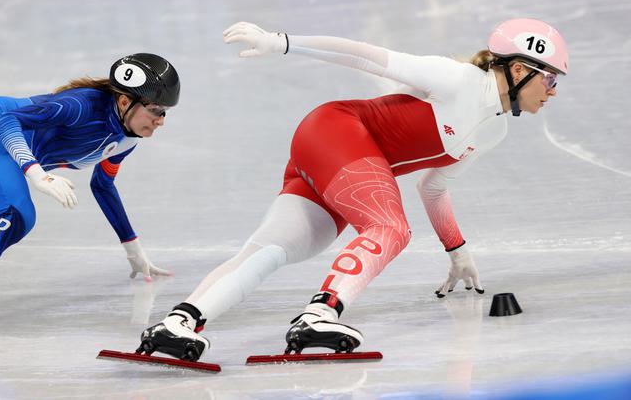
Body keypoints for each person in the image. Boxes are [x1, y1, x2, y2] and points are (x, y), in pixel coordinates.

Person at [136, 19, 568, 361]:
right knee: (389, 226)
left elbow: (433, 188)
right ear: (517, 69)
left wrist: (458, 252)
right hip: (337, 133)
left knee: (277, 248)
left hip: (344, 165)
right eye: (549, 80)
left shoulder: (493, 132)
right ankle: (319, 315)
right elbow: (365, 57)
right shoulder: (456, 79)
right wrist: (282, 42)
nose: (552, 92)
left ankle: (179, 321)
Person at [0, 53, 179, 333]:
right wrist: (37, 174)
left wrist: (133, 250)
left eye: (164, 112)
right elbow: (6, 122)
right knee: (17, 215)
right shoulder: (80, 106)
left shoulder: (127, 140)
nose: (160, 120)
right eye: (155, 110)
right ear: (125, 101)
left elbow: (102, 185)